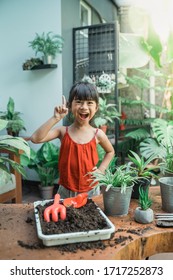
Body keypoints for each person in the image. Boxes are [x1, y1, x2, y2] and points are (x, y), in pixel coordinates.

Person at [31, 81, 115, 198]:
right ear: (70, 106)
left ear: (96, 108)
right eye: (79, 102)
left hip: (91, 190)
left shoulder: (98, 134)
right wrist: (55, 118)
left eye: (89, 103)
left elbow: (110, 152)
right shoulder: (62, 132)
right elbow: (35, 138)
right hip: (65, 190)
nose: (84, 107)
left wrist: (101, 170)